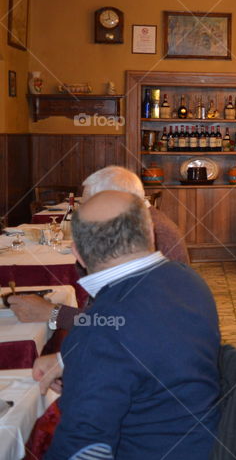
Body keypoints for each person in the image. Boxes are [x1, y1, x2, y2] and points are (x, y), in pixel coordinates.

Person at [34, 190, 220, 459]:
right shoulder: (188, 280)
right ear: (150, 233)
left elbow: (83, 450)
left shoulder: (99, 332)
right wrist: (69, 360)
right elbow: (151, 337)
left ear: (78, 255)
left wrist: (84, 357)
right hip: (199, 439)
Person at [10, 165, 188, 329]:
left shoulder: (154, 233)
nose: (85, 211)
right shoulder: (138, 224)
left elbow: (127, 322)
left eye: (90, 203)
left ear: (114, 200)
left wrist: (55, 314)